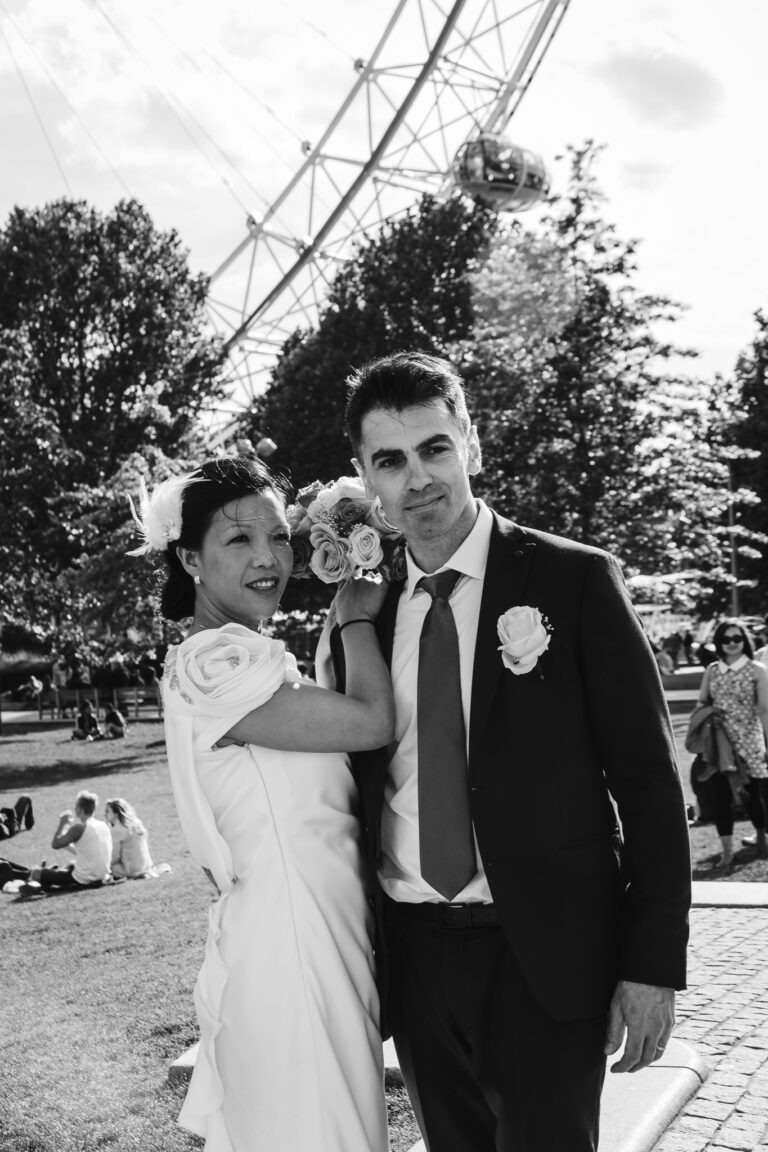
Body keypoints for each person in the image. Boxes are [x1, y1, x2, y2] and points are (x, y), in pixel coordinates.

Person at [320, 351, 692, 1152]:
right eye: (390, 460)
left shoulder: (576, 581)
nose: (417, 479)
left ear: (471, 445)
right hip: (414, 957)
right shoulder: (365, 618)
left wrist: (653, 963)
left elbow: (649, 781)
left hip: (549, 956)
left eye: (434, 448)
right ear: (366, 477)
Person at [133, 456, 392, 1152]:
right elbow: (371, 722)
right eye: (238, 539)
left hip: (316, 926)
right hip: (291, 942)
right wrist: (358, 617)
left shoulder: (238, 653)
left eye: (279, 537)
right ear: (190, 557)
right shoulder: (219, 662)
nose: (268, 557)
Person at [696, 619, 768, 864]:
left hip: (750, 741)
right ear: (719, 642)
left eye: (737, 638)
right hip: (719, 743)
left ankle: (761, 837)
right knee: (720, 796)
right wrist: (708, 716)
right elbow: (701, 702)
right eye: (726, 639)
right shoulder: (713, 670)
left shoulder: (757, 669)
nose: (732, 644)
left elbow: (764, 710)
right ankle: (727, 852)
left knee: (753, 795)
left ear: (744, 641)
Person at [30, 790, 112, 890]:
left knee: (36, 873)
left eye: (76, 805)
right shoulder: (103, 825)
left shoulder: (79, 828)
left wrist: (62, 824)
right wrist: (68, 847)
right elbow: (89, 853)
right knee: (71, 864)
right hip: (103, 876)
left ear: (80, 809)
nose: (74, 808)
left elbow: (55, 844)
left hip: (82, 880)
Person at [104, 799, 153, 877]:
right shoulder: (136, 823)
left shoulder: (118, 829)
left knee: (103, 868)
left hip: (130, 869)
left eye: (107, 811)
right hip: (146, 865)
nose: (105, 814)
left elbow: (114, 856)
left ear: (116, 814)